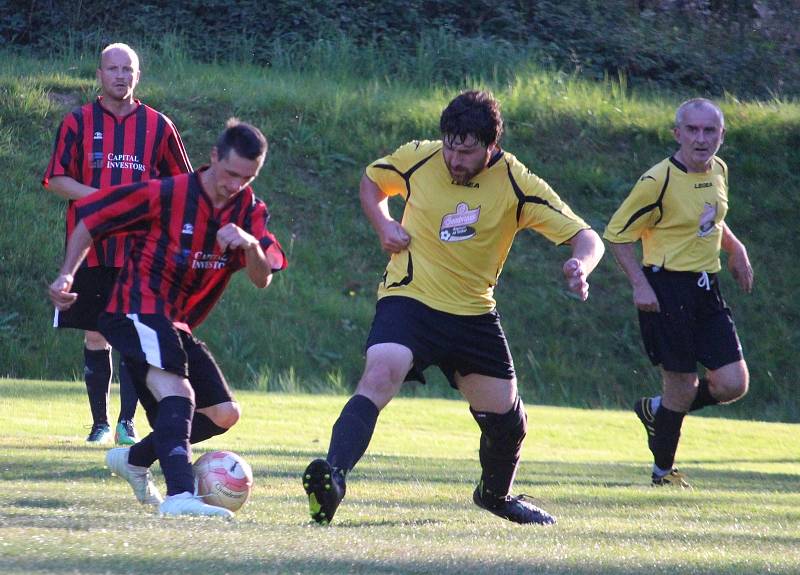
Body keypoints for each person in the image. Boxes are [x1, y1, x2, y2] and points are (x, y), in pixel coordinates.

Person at [302, 90, 604, 525]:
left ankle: (495, 496)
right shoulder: (419, 157)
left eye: (466, 152)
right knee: (381, 372)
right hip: (410, 299)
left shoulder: (515, 181)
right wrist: (384, 223)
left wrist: (581, 264)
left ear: (491, 147)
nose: (454, 159)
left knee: (507, 422)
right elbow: (372, 181)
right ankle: (333, 478)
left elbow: (586, 235)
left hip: (473, 313)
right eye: (450, 147)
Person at [49, 119, 287, 517]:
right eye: (230, 174)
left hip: (175, 322)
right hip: (133, 308)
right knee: (180, 393)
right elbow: (90, 218)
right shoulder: (169, 193)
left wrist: (249, 246)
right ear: (212, 157)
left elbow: (263, 279)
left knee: (224, 414)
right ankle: (179, 497)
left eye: (247, 178)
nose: (235, 185)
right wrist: (67, 273)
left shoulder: (249, 210)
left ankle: (136, 459)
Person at [43, 42, 192, 445]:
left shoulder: (159, 126)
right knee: (95, 334)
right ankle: (99, 424)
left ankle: (128, 424)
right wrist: (104, 200)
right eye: (113, 69)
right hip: (91, 247)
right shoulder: (78, 121)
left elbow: (183, 185)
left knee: (132, 337)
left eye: (128, 69)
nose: (121, 76)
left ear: (137, 76)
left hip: (140, 251)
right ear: (99, 74)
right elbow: (56, 179)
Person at [604, 98, 752, 488]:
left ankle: (657, 410)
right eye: (692, 130)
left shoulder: (719, 169)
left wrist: (735, 249)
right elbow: (617, 235)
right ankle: (662, 472)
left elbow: (711, 220)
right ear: (677, 133)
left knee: (732, 383)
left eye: (709, 131)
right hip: (667, 288)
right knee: (682, 386)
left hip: (707, 287)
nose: (701, 139)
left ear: (721, 135)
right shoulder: (658, 181)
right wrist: (640, 284)